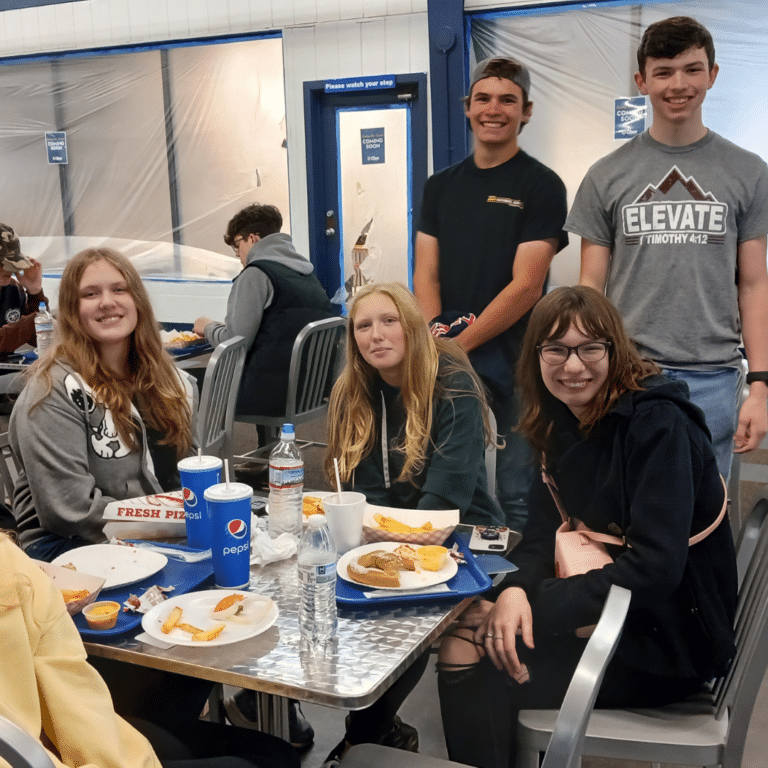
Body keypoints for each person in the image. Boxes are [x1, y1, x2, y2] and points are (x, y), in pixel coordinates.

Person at [435, 286, 738, 768]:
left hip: (669, 636)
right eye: (555, 349)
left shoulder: (658, 424)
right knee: (473, 636)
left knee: (479, 653)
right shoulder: (557, 423)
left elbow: (656, 569)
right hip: (607, 614)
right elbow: (538, 535)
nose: (572, 366)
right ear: (535, 356)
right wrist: (512, 593)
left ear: (614, 352)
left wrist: (530, 605)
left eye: (589, 348)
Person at [567, 16, 768, 482]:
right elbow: (590, 287)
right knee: (626, 517)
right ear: (642, 81)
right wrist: (586, 372)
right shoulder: (606, 176)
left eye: (692, 69)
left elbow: (755, 285)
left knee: (702, 523)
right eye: (663, 72)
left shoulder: (749, 172)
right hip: (627, 374)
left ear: (713, 75)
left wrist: (759, 386)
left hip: (715, 379)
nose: (678, 85)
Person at [312, 282, 503, 767]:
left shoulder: (453, 382)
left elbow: (445, 499)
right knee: (339, 597)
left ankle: (364, 739)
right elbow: (360, 492)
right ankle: (375, 733)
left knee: (402, 615)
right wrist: (369, 539)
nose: (376, 335)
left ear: (413, 326)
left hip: (462, 535)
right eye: (363, 326)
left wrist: (373, 538)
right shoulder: (353, 391)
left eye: (389, 320)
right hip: (386, 532)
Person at [414, 56, 568, 532]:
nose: (493, 109)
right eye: (483, 98)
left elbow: (527, 286)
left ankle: (517, 593)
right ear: (467, 107)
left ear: (526, 111)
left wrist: (456, 346)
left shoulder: (542, 185)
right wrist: (434, 346)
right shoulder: (440, 186)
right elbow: (426, 274)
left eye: (508, 99)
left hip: (519, 357)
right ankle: (467, 586)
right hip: (451, 358)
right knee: (457, 480)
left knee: (519, 487)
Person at [0, 531, 300, 768]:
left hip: (44, 738)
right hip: (38, 745)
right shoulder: (14, 573)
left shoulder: (14, 569)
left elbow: (79, 716)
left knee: (273, 752)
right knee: (272, 758)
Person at [9, 247, 197, 563]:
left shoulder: (170, 380)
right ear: (71, 310)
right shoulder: (50, 393)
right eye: (90, 294)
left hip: (154, 531)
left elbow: (189, 469)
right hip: (68, 549)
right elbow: (70, 513)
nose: (107, 301)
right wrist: (177, 523)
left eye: (119, 289)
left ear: (137, 300)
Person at [192, 203, 335, 417]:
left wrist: (208, 326)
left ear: (253, 239)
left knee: (181, 381)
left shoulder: (256, 274)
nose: (238, 255)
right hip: (309, 392)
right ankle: (264, 447)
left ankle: (199, 450)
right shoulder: (307, 276)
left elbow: (235, 342)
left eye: (237, 245)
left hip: (265, 395)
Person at [0, 222, 48, 355]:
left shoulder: (14, 290)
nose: (9, 270)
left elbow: (38, 339)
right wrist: (32, 322)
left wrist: (35, 292)